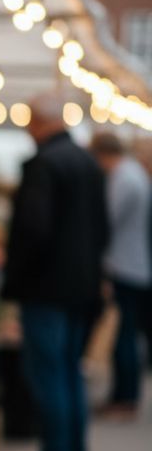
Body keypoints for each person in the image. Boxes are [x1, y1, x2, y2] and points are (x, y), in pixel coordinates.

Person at [1, 93, 108, 451]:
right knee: (68, 374)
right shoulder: (88, 163)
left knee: (48, 376)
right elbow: (102, 230)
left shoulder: (45, 165)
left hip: (47, 289)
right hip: (82, 287)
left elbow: (33, 230)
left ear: (38, 122)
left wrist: (14, 278)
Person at [90, 131, 152, 416]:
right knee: (126, 334)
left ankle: (126, 398)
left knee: (125, 335)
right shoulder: (132, 175)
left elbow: (107, 218)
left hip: (126, 265)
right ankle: (125, 395)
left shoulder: (125, 178)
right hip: (133, 263)